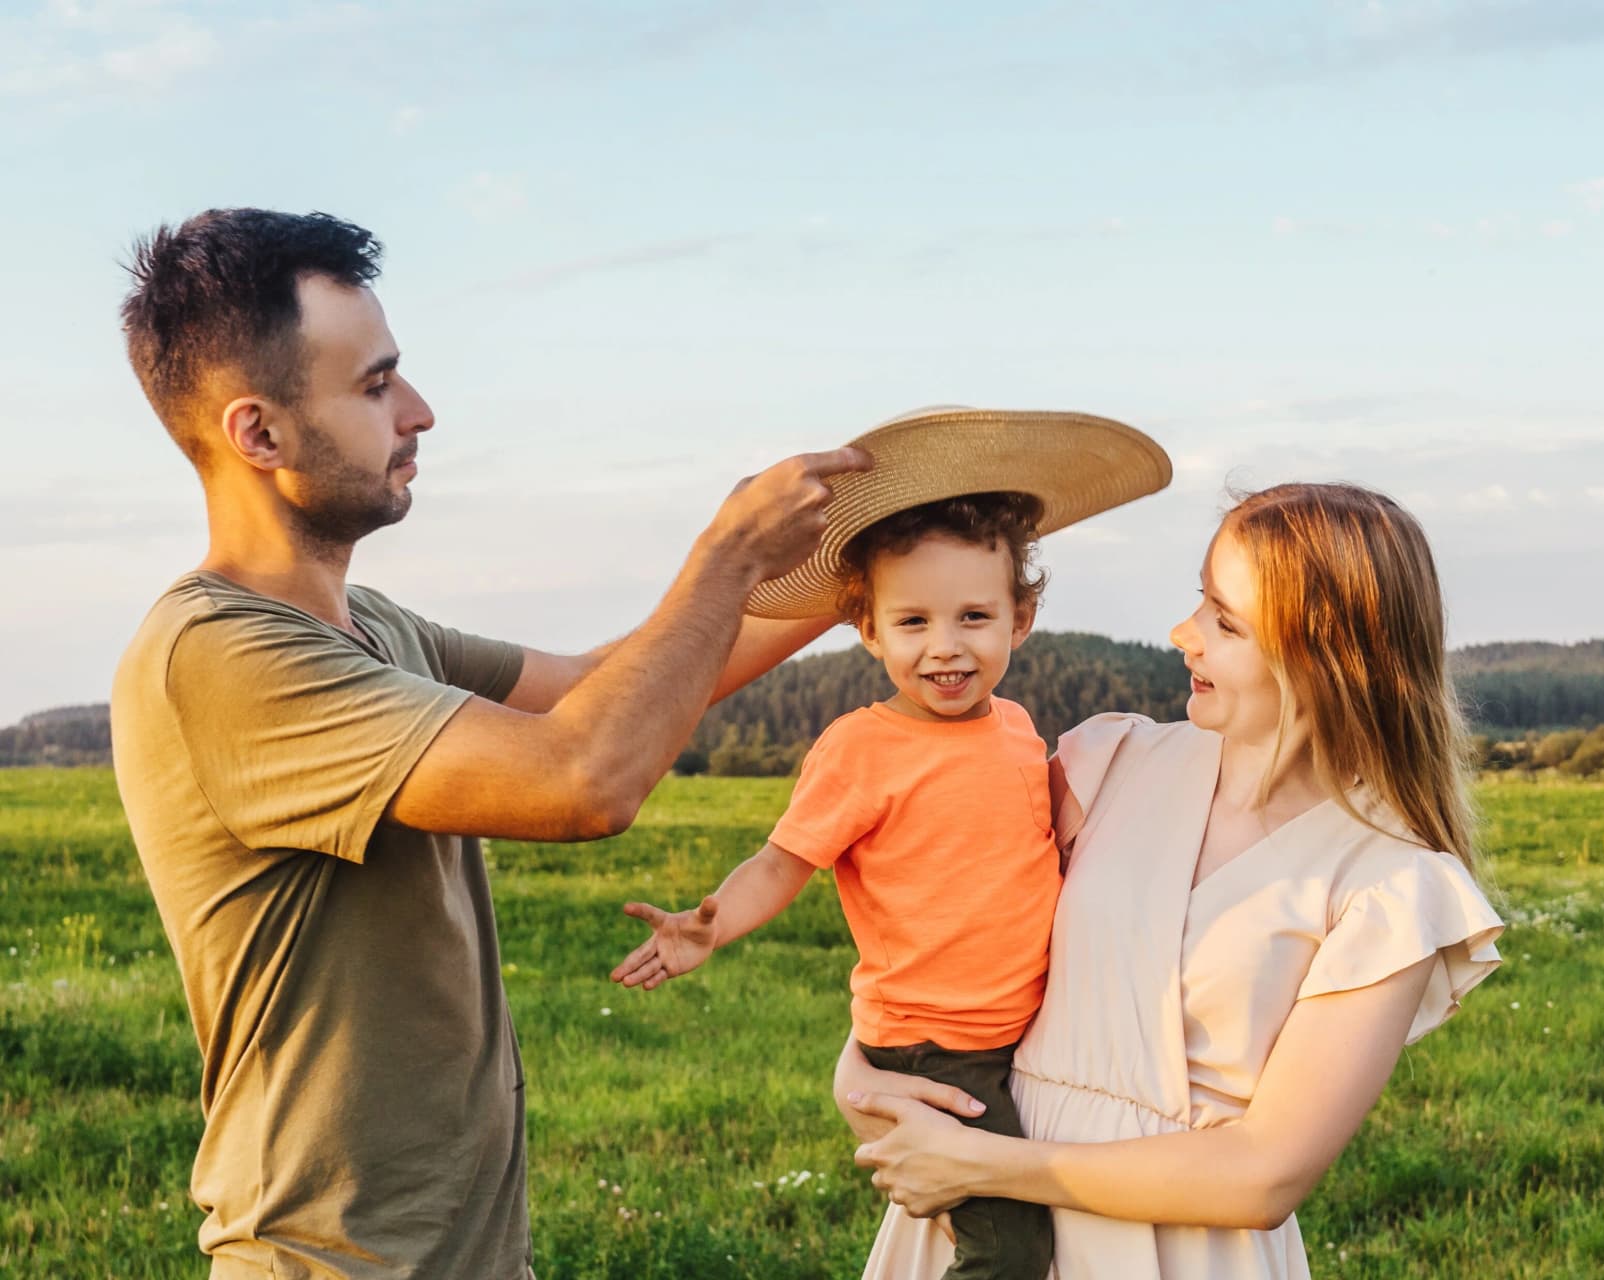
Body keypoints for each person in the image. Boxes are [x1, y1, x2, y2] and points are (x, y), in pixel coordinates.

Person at [108, 207, 866, 1279]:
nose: (419, 411)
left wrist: (851, 579)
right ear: (259, 433)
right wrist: (727, 552)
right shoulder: (221, 655)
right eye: (375, 386)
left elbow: (602, 684)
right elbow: (583, 775)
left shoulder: (378, 628)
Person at [835, 481, 1506, 1280]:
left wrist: (985, 1167)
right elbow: (957, 932)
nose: (1182, 634)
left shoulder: (1391, 885)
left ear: (1327, 658)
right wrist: (866, 1067)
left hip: (1174, 1246)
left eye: (1224, 622)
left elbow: (1266, 1174)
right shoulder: (1110, 764)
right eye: (1200, 601)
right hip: (978, 1222)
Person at [609, 492, 1063, 1280]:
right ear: (870, 630)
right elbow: (783, 861)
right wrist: (714, 925)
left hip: (1022, 1024)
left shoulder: (1018, 727)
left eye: (974, 618)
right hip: (935, 1048)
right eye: (913, 622)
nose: (945, 648)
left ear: (1018, 621)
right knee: (1011, 1250)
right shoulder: (860, 748)